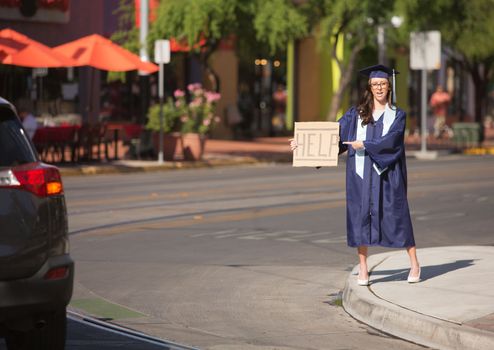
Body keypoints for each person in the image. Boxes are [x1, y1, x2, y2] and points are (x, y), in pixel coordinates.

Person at [290, 64, 420, 286]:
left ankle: (415, 264)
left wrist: (365, 144)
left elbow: (393, 142)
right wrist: (302, 145)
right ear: (369, 87)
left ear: (389, 87)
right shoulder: (355, 114)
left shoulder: (397, 115)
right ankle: (363, 269)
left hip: (387, 174)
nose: (379, 88)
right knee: (360, 220)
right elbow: (333, 136)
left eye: (383, 84)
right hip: (360, 175)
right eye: (375, 84)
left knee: (397, 216)